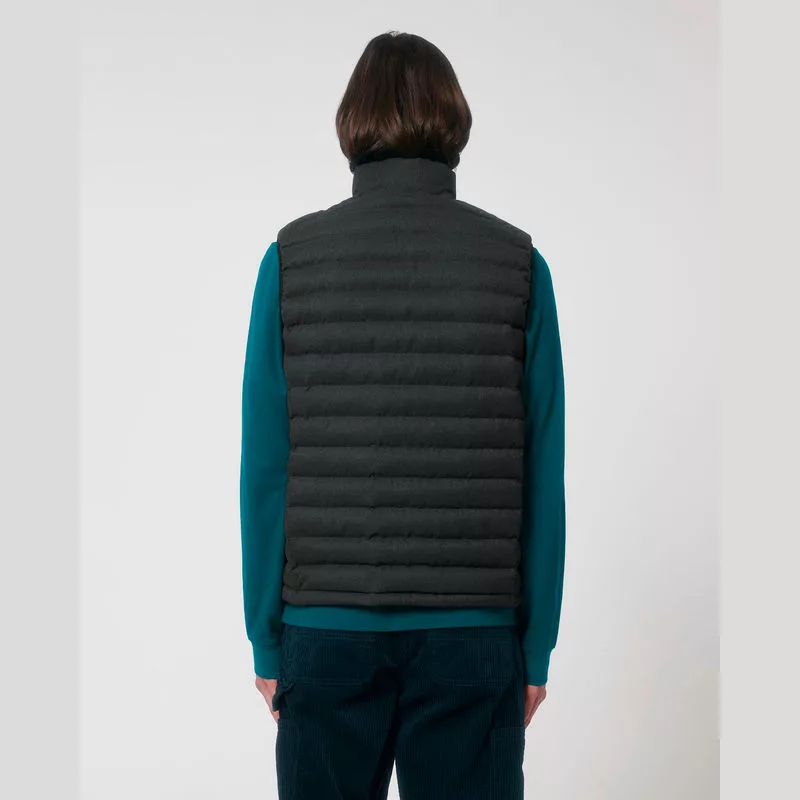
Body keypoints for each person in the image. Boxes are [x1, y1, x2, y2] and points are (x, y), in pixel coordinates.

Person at [240, 30, 566, 800]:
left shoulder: (290, 260)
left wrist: (266, 639)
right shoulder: (520, 264)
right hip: (474, 641)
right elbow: (542, 471)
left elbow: (267, 467)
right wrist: (535, 648)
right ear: (452, 119)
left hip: (325, 636)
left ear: (353, 122)